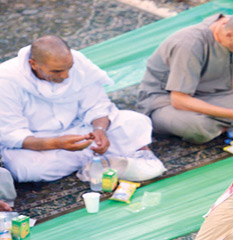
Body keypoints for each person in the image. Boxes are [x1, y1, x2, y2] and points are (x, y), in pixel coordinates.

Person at [0, 36, 166, 183]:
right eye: (56, 71)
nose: (65, 76)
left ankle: (97, 161)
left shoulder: (77, 61)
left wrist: (100, 130)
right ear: (33, 64)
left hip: (82, 131)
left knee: (136, 122)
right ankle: (106, 160)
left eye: (68, 68)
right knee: (26, 168)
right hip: (40, 142)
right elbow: (11, 135)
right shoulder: (6, 79)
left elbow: (97, 105)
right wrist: (57, 143)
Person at [136, 12, 233, 144]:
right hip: (170, 103)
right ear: (229, 35)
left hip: (220, 96)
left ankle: (228, 126)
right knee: (197, 126)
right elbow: (179, 100)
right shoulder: (190, 43)